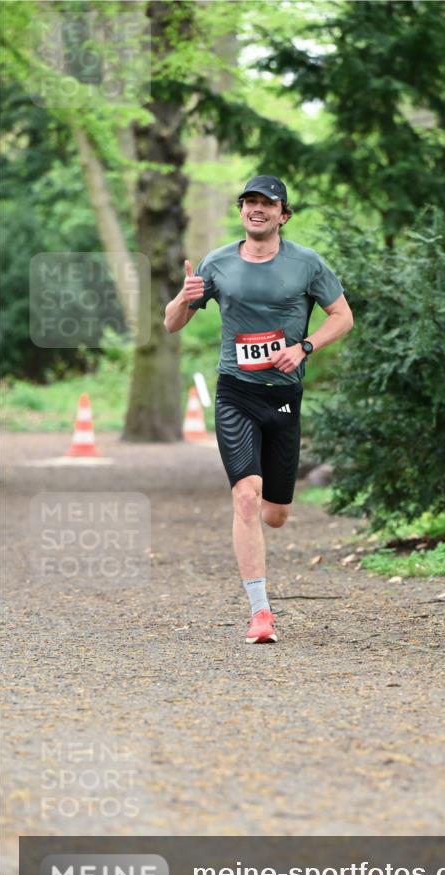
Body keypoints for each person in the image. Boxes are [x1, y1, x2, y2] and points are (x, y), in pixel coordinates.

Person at [164, 175, 353, 643]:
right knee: (245, 495)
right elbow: (171, 324)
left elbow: (343, 317)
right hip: (236, 393)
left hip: (284, 398)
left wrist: (305, 346)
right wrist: (184, 299)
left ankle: (275, 508)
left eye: (267, 203)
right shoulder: (218, 263)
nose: (257, 209)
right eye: (249, 201)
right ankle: (260, 612)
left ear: (283, 215)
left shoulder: (307, 264)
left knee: (275, 513)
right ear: (242, 211)